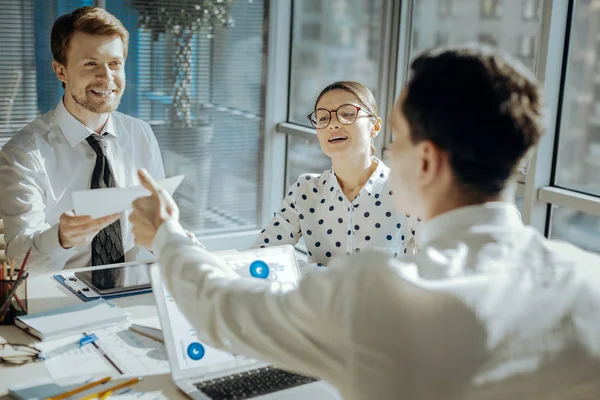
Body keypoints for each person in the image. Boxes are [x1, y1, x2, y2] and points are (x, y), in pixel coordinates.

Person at [130, 45, 600, 399]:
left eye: (397, 138)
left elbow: (223, 311)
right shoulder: (588, 279)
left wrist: (167, 237)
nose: (389, 154)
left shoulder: (380, 293)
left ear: (426, 161)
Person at [0, 6, 165, 270]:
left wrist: (179, 244)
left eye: (114, 64)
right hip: (60, 297)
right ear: (61, 71)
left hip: (131, 287)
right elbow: (18, 259)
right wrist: (61, 238)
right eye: (91, 64)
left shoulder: (140, 134)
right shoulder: (22, 155)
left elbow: (156, 226)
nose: (107, 77)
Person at [252, 81, 419, 273]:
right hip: (321, 303)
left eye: (347, 114)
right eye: (323, 118)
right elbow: (261, 255)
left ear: (375, 126)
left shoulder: (409, 190)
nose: (332, 124)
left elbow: (436, 270)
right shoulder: (305, 190)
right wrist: (315, 274)